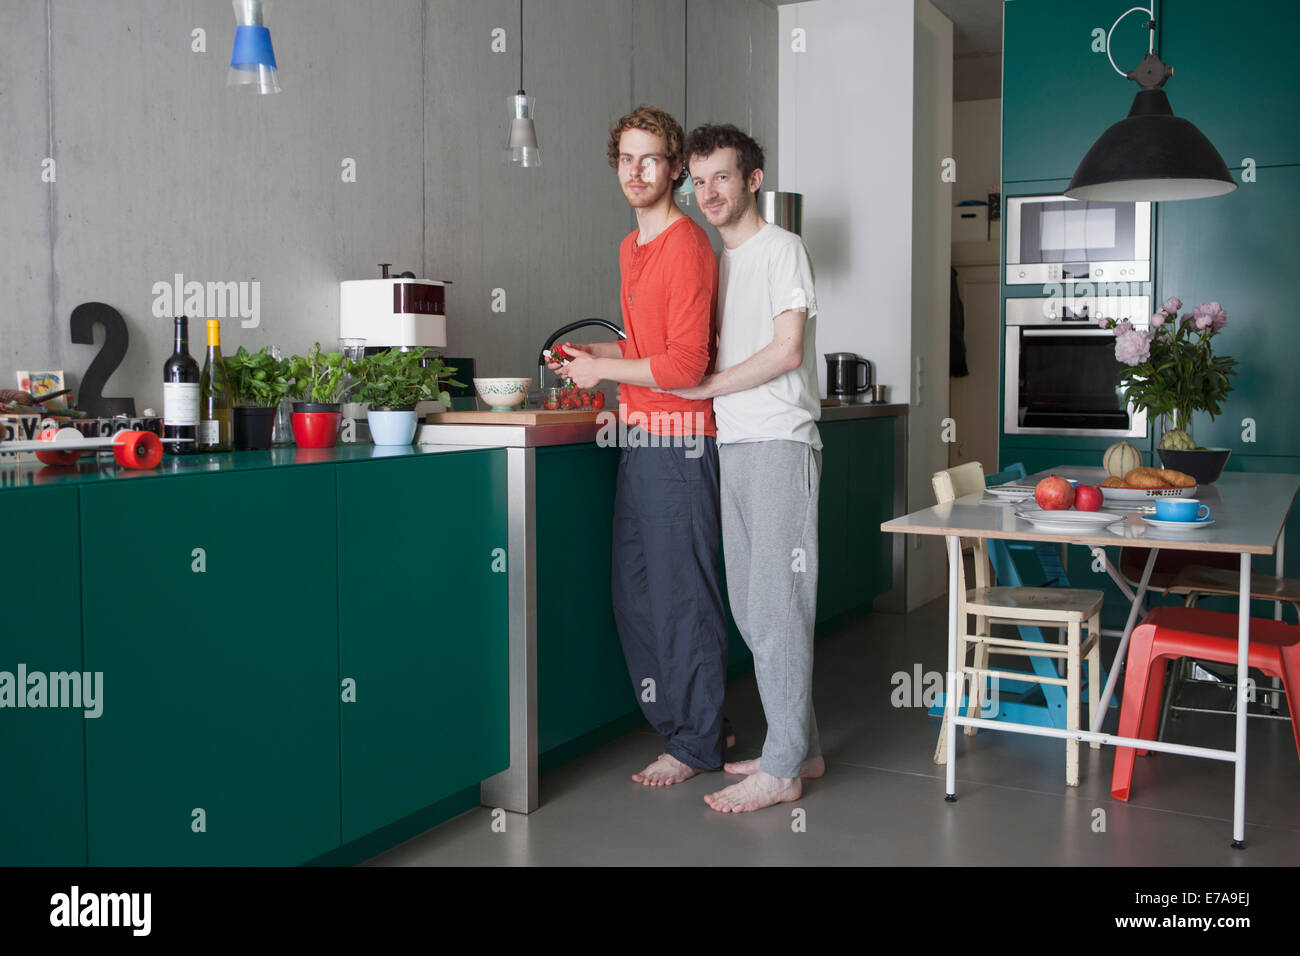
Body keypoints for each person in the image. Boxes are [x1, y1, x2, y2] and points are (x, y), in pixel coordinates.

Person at [550, 105, 728, 786]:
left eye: (650, 158)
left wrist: (605, 374)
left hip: (681, 442)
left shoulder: (687, 245)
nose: (636, 170)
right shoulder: (631, 249)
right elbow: (649, 345)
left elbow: (685, 365)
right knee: (637, 595)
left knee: (682, 598)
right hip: (640, 436)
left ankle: (697, 743)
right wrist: (600, 354)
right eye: (626, 158)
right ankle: (694, 723)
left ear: (675, 167)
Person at [668, 123, 826, 812]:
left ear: (753, 180)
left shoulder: (782, 248)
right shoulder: (718, 263)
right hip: (735, 443)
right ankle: (803, 747)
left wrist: (706, 387)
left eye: (722, 178)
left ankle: (783, 769)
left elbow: (788, 349)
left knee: (774, 606)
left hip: (779, 442)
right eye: (699, 181)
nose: (708, 193)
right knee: (755, 606)